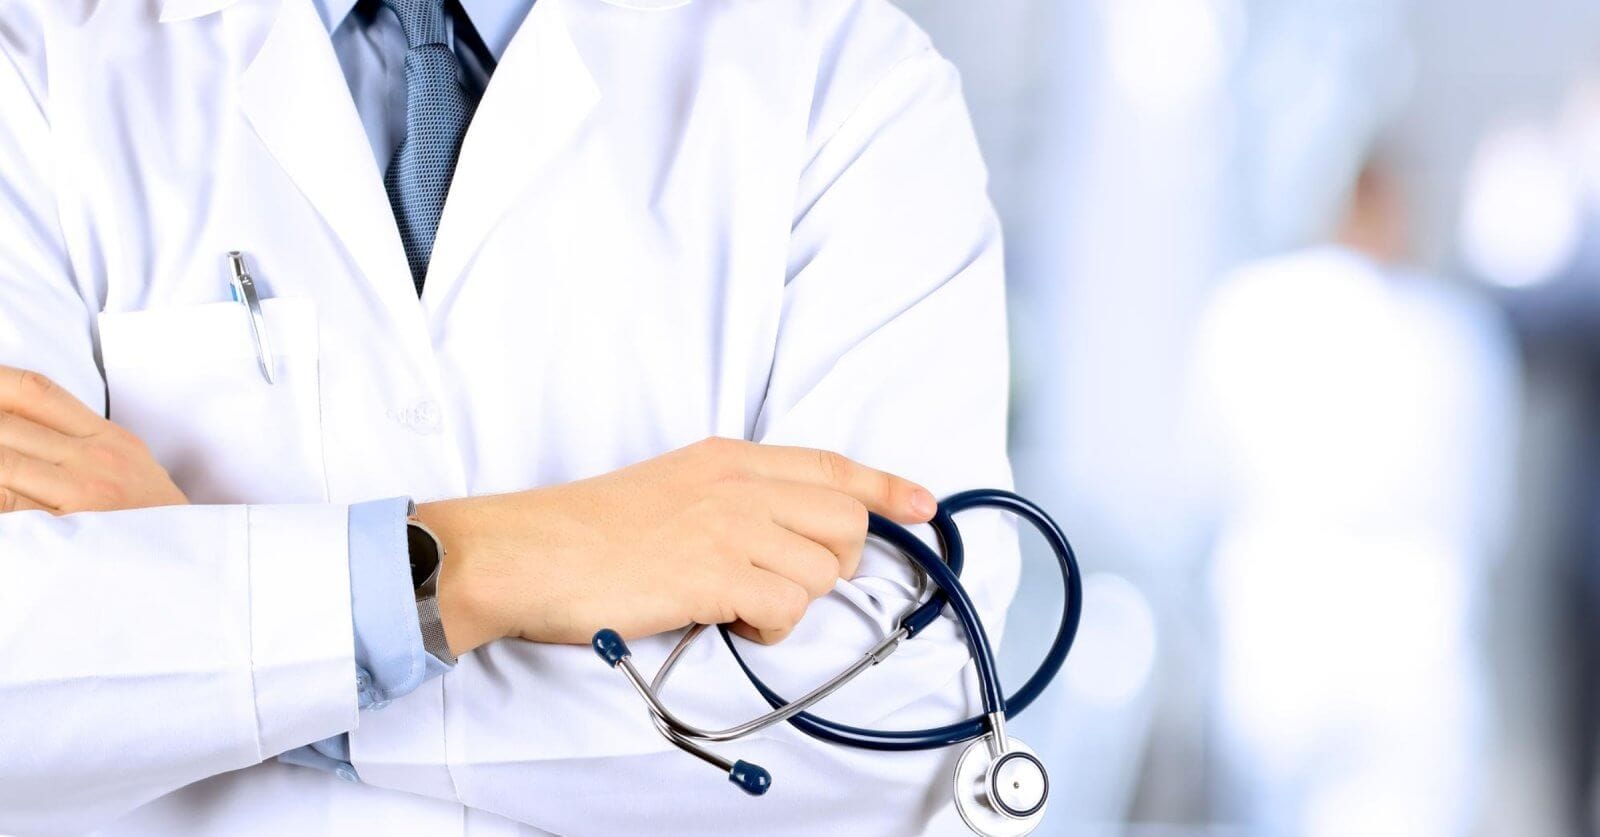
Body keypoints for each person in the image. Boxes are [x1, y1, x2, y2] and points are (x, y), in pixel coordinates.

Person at [0, 0, 1019, 835]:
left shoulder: (841, 76)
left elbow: (893, 705)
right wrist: (495, 564)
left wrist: (201, 640)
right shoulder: (37, 59)